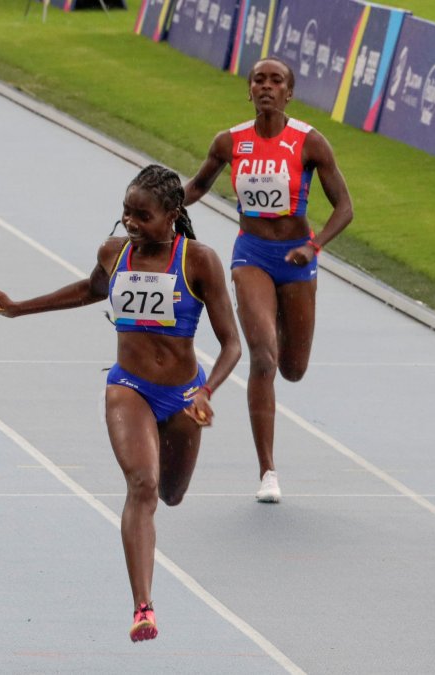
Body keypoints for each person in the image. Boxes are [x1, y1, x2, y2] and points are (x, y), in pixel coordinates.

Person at [0, 165, 241, 642]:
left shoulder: (200, 262)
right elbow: (89, 290)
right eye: (126, 213)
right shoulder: (114, 253)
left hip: (183, 396)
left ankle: (167, 461)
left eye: (143, 215)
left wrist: (206, 391)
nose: (131, 223)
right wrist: (18, 307)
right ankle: (143, 607)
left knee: (171, 494)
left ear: (173, 216)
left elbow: (232, 345)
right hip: (129, 388)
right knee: (142, 485)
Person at [184, 57, 353, 503]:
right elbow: (196, 188)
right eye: (258, 79)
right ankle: (268, 472)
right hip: (251, 255)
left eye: (276, 81)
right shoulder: (229, 142)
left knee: (293, 369)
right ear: (249, 90)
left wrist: (313, 248)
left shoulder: (310, 143)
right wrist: (156, 213)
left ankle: (277, 324)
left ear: (288, 93)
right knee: (263, 358)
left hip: (297, 260)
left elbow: (344, 208)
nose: (266, 86)